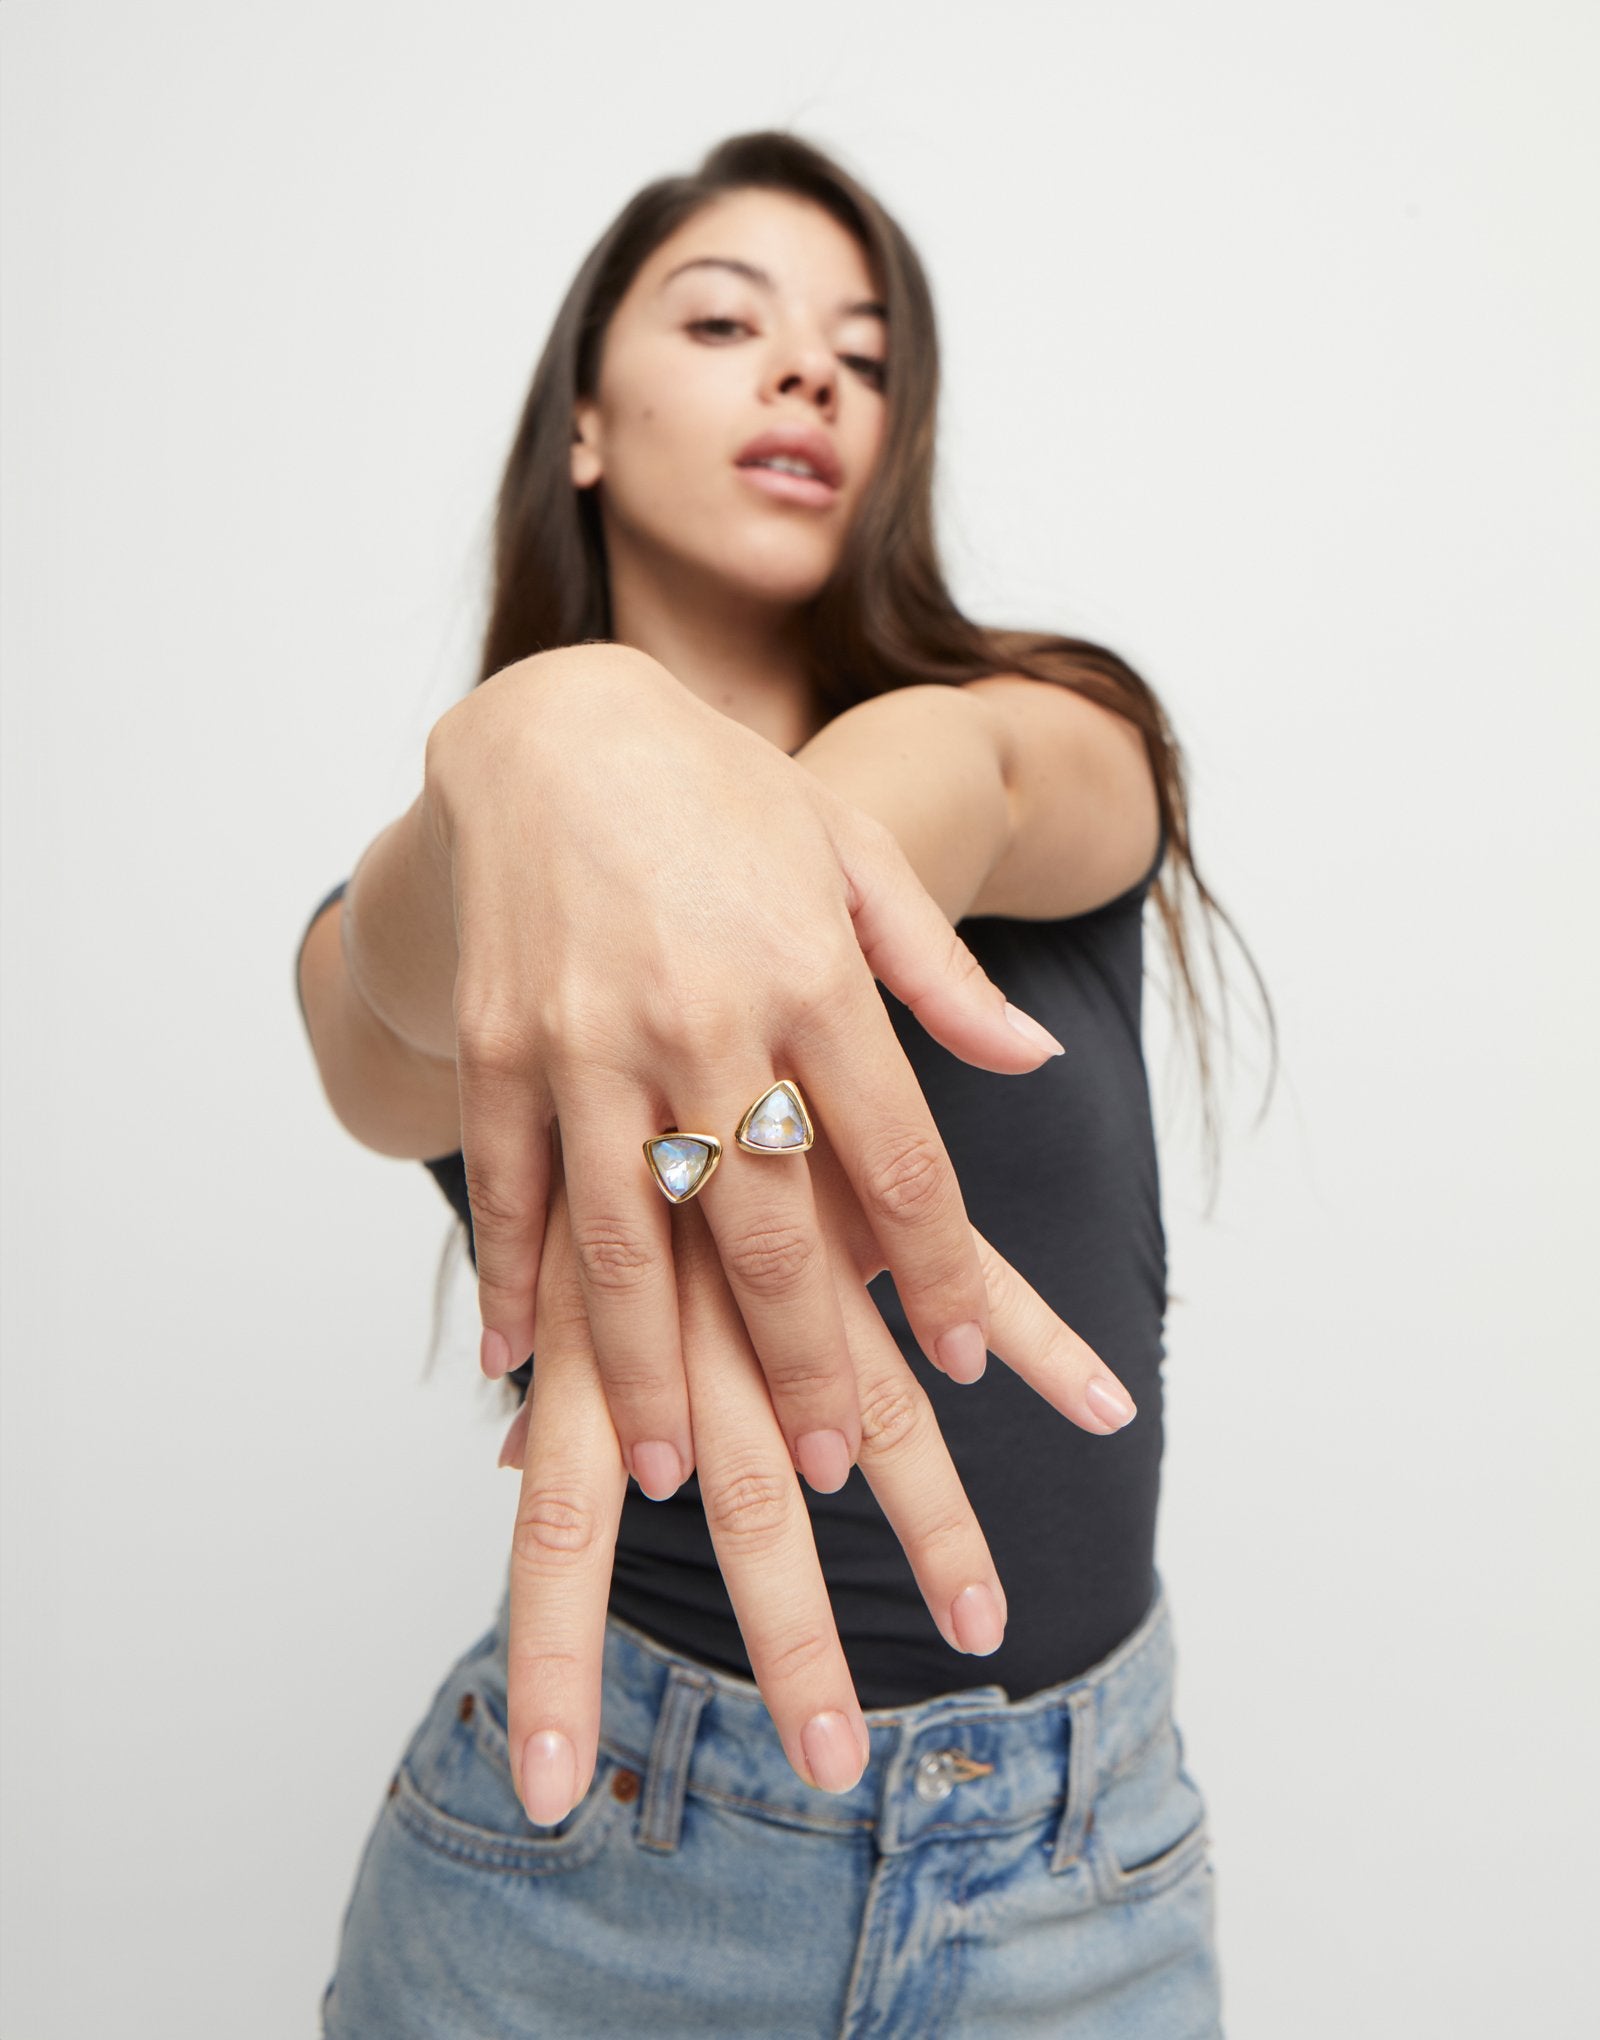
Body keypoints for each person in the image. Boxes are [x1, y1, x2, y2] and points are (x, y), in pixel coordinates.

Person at [297, 128, 1271, 2039]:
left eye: (867, 350)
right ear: (583, 423)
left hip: (1078, 1880)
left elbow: (967, 782)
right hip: (574, 1870)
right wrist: (536, 742)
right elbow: (360, 1020)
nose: (814, 369)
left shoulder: (1046, 727)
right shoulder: (492, 899)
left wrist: (725, 882)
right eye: (728, 317)